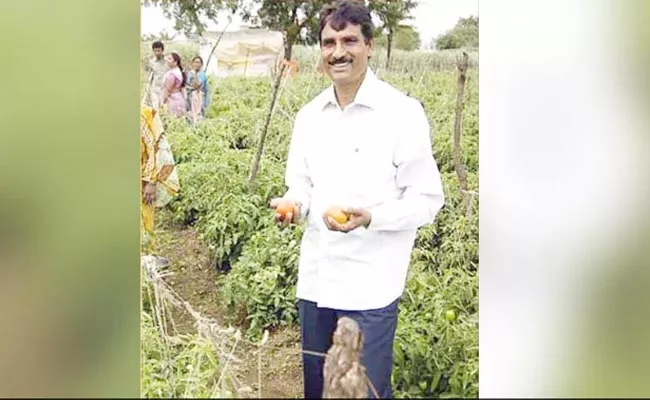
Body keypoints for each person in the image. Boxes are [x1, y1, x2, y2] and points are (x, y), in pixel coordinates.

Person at [268, 1, 445, 398]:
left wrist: (371, 218)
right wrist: (294, 205)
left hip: (370, 287)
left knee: (362, 390)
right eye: (329, 42)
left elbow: (428, 198)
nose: (338, 51)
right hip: (317, 281)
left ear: (368, 45)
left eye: (349, 40)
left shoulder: (401, 113)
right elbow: (302, 187)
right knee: (318, 387)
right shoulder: (309, 116)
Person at [140, 104, 180, 255]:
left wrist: (151, 181)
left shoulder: (142, 115)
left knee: (143, 222)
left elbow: (154, 148)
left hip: (142, 178)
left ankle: (145, 259)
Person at [144, 41, 168, 110]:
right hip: (154, 89)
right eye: (155, 51)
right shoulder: (152, 62)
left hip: (165, 89)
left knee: (164, 109)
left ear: (162, 50)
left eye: (159, 51)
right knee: (155, 109)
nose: (157, 53)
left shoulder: (167, 61)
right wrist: (148, 87)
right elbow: (150, 75)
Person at [161, 52, 187, 118]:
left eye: (169, 59)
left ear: (175, 62)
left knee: (172, 121)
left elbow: (168, 89)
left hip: (173, 100)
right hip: (179, 98)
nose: (167, 60)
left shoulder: (173, 74)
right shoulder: (177, 72)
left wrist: (163, 102)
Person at [186, 55, 210, 123]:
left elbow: (197, 85)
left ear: (201, 65)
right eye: (195, 62)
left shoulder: (202, 75)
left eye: (198, 62)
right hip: (190, 97)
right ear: (192, 63)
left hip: (199, 97)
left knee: (198, 115)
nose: (197, 64)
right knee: (190, 115)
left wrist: (195, 74)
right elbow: (187, 84)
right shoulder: (190, 73)